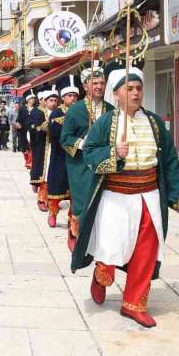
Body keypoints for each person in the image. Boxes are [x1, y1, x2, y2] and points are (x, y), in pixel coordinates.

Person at [73, 66, 179, 328]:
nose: (136, 93)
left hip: (149, 195)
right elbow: (90, 152)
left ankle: (134, 304)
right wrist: (113, 152)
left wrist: (175, 194)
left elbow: (168, 158)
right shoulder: (105, 122)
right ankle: (102, 276)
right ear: (116, 94)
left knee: (147, 250)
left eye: (139, 88)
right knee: (112, 248)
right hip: (116, 197)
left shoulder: (156, 123)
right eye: (130, 88)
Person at [60, 61, 113, 251]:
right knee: (82, 200)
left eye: (101, 83)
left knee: (103, 202)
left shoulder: (111, 110)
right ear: (85, 86)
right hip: (81, 165)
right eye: (94, 83)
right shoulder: (76, 110)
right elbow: (65, 138)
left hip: (104, 162)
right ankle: (76, 233)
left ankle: (99, 237)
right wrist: (84, 144)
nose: (99, 86)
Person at [46, 76, 79, 228]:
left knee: (75, 192)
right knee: (56, 188)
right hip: (59, 156)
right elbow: (54, 132)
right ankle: (52, 213)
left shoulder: (81, 111)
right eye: (69, 96)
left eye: (74, 96)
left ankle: (72, 219)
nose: (72, 98)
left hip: (76, 156)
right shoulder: (56, 113)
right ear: (63, 97)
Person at [19, 92, 37, 168]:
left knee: (32, 147)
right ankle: (27, 161)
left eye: (34, 98)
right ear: (28, 100)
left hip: (33, 130)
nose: (33, 100)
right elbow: (19, 119)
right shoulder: (22, 109)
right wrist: (18, 124)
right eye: (31, 98)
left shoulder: (36, 109)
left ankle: (31, 162)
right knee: (25, 148)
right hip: (24, 130)